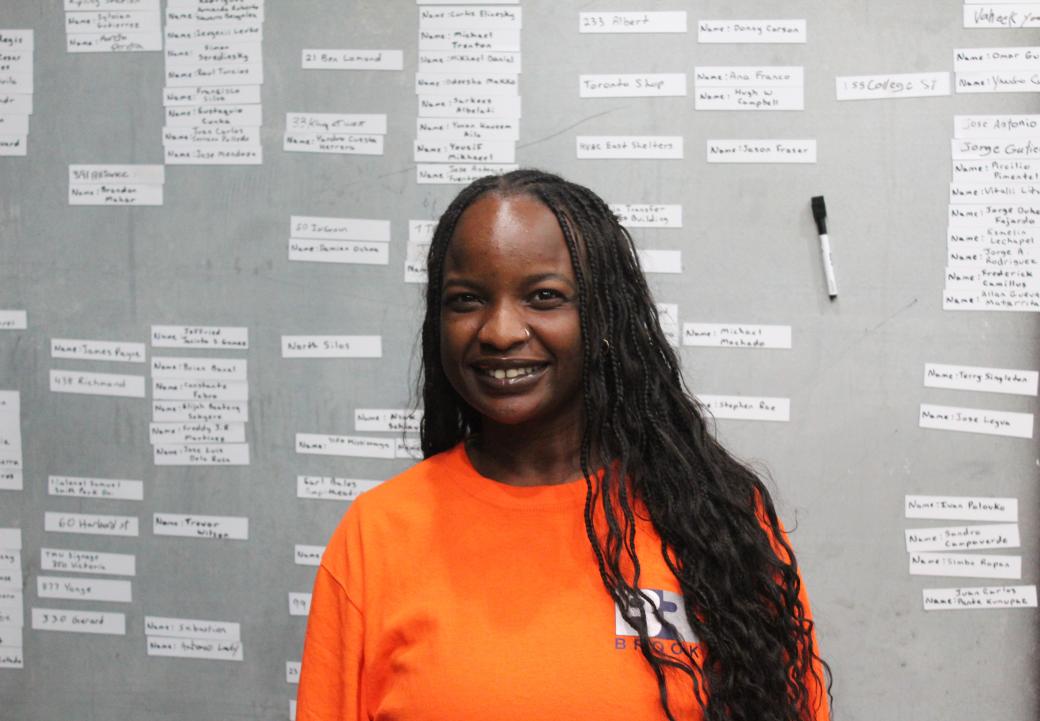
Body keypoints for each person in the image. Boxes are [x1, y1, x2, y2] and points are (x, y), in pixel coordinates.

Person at [297, 169, 831, 721]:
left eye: (544, 297)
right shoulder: (376, 535)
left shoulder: (716, 521)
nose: (500, 330)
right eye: (466, 300)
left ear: (603, 316)